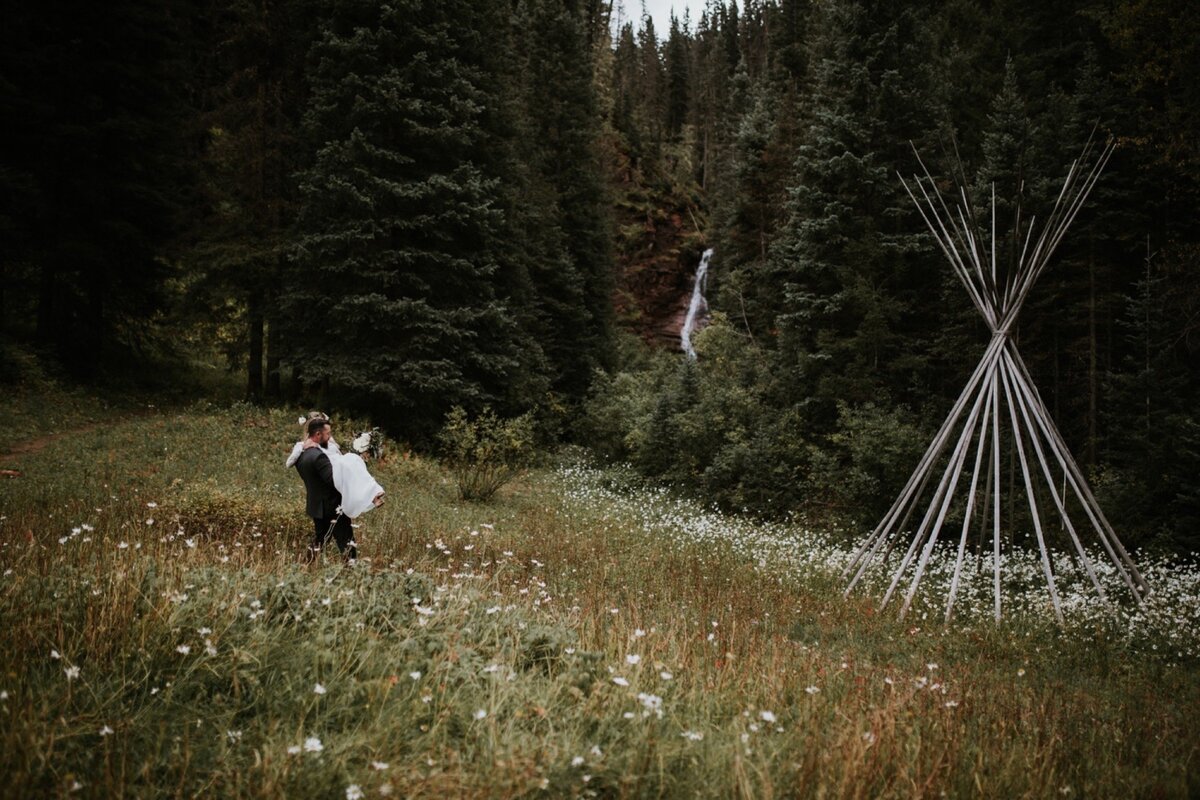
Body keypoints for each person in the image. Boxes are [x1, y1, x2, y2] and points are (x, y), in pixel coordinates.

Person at [293, 416, 384, 563]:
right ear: (317, 434)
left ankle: (304, 565)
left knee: (320, 540)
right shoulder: (319, 457)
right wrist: (353, 463)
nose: (329, 438)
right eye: (327, 434)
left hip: (316, 505)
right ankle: (352, 571)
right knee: (347, 542)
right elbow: (334, 480)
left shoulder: (302, 456)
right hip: (333, 506)